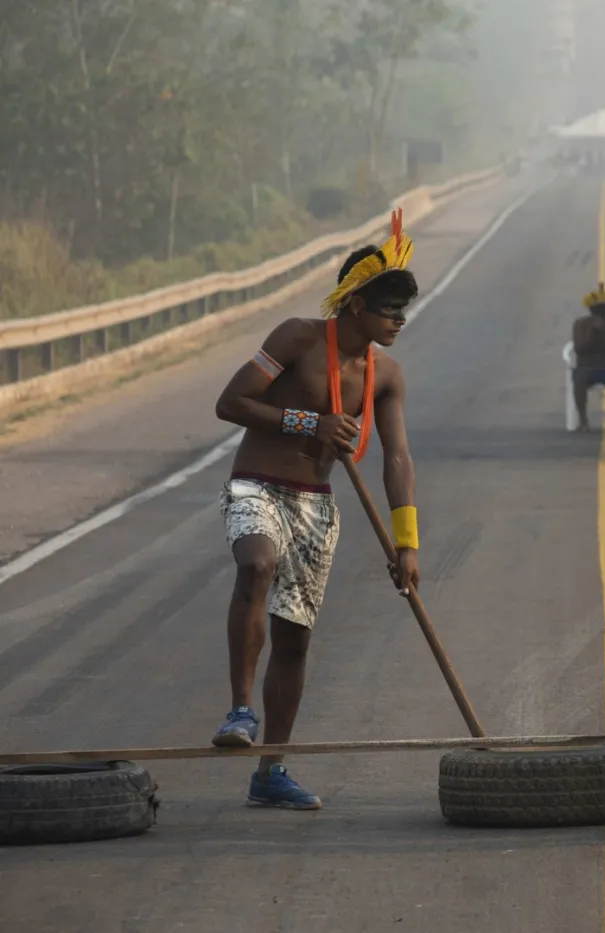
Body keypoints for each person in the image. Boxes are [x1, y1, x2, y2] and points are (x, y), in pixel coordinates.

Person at [210, 210, 422, 810]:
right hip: (257, 483)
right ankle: (240, 711)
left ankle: (271, 772)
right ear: (356, 305)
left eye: (404, 312)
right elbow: (231, 402)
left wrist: (406, 545)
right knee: (256, 565)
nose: (399, 322)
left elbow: (398, 460)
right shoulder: (298, 337)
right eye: (389, 310)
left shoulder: (386, 376)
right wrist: (309, 421)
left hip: (317, 507)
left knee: (295, 640)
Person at [571, 283, 605, 431]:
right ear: (591, 310)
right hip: (586, 366)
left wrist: (604, 336)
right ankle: (583, 420)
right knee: (579, 379)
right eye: (598, 309)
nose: (602, 313)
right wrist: (593, 334)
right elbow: (579, 349)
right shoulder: (580, 324)